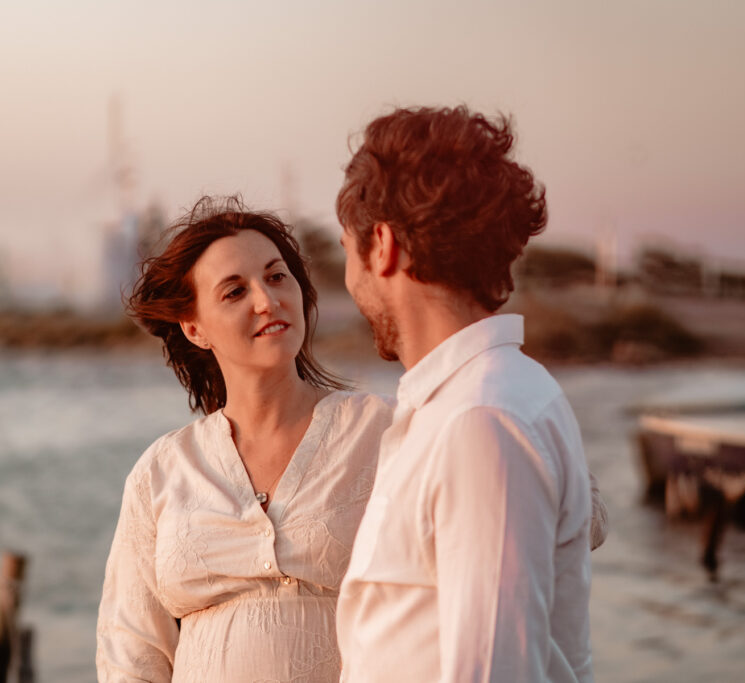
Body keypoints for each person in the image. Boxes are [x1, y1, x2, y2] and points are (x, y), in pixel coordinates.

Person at [336, 106, 596, 681]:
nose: (350, 280)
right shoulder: (467, 405)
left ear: (382, 246)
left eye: (347, 252)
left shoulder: (481, 421)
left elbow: (494, 669)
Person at [96, 197, 394, 682]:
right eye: (234, 292)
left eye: (277, 277)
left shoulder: (381, 431)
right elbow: (131, 653)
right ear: (194, 329)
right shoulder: (163, 470)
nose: (266, 300)